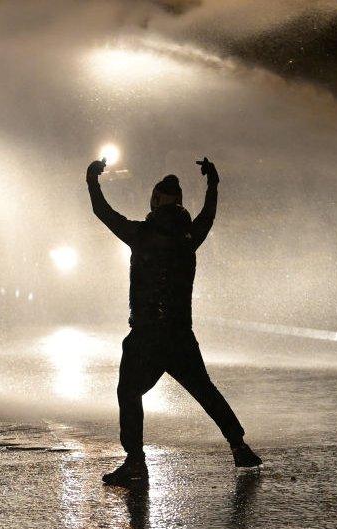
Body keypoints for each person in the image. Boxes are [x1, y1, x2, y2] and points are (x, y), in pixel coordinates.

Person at [86, 155, 262, 485]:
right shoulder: (189, 237)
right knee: (205, 391)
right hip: (180, 334)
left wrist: (92, 181)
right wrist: (213, 183)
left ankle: (136, 463)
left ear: (155, 201)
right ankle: (239, 447)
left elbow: (103, 212)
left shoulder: (140, 234)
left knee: (129, 392)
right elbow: (209, 214)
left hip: (146, 336)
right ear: (179, 204)